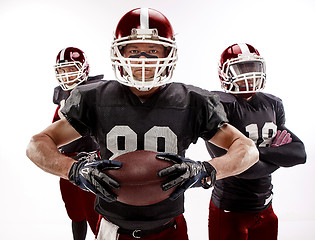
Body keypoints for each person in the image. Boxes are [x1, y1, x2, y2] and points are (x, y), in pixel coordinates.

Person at [26, 8, 259, 240]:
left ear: (168, 53)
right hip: (112, 227)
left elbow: (247, 149)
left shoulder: (192, 101)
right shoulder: (95, 98)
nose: (143, 60)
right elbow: (37, 144)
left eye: (153, 51)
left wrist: (206, 170)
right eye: (134, 50)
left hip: (171, 227)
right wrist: (74, 170)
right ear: (119, 53)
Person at [205, 43, 307, 240]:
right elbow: (244, 170)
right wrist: (279, 156)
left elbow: (299, 153)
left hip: (266, 208)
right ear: (225, 73)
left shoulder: (272, 103)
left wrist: (252, 153)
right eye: (242, 68)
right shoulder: (219, 104)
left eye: (253, 67)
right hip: (230, 210)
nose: (249, 73)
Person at [53, 47, 104, 240]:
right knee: (75, 213)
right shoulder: (62, 97)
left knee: (97, 217)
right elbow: (54, 129)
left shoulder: (95, 93)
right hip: (66, 165)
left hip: (91, 164)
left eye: (71, 69)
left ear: (84, 69)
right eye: (62, 70)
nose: (66, 74)